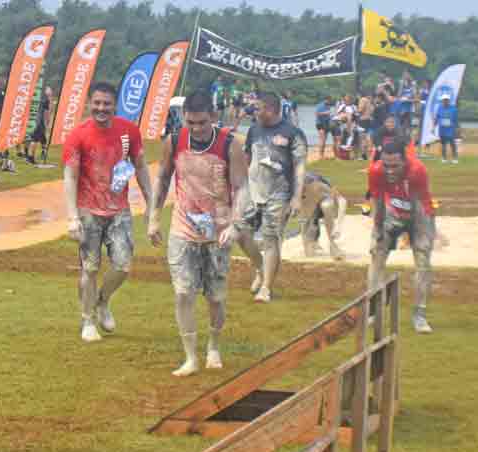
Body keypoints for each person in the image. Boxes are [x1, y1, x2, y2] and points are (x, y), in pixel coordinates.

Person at [147, 90, 248, 376]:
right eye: (190, 122)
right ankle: (190, 357)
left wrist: (235, 224)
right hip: (183, 227)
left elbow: (241, 187)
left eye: (202, 122)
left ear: (213, 117)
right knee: (183, 292)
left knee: (215, 297)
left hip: (218, 230)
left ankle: (213, 345)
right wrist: (154, 218)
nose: (196, 129)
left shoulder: (230, 144)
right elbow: (163, 178)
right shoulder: (174, 141)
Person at [62, 81, 153, 342]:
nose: (101, 108)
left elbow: (140, 166)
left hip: (119, 210)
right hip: (88, 210)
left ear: (115, 105)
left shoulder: (129, 131)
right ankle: (88, 320)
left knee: (123, 266)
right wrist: (72, 217)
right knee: (90, 268)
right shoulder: (78, 135)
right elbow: (70, 176)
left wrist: (151, 203)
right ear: (89, 103)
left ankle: (102, 301)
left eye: (107, 104)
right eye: (97, 103)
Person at [236, 92, 307, 303]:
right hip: (252, 191)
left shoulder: (293, 133)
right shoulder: (254, 129)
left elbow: (300, 167)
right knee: (239, 232)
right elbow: (247, 158)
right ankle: (260, 266)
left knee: (271, 238)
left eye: (258, 108)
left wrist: (297, 197)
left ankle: (266, 287)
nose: (254, 112)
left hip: (279, 194)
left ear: (271, 109)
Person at [367, 137, 435, 333]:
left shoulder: (417, 170)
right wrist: (378, 229)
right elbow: (377, 201)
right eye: (386, 165)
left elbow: (418, 205)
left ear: (404, 160)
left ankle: (419, 315)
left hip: (420, 213)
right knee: (376, 255)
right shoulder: (376, 170)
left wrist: (419, 237)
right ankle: (373, 310)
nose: (389, 170)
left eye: (395, 166)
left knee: (422, 261)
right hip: (392, 213)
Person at [299, 173, 345, 259]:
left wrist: (338, 226)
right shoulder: (296, 190)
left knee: (326, 206)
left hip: (324, 198)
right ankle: (313, 241)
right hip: (311, 199)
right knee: (309, 253)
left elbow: (342, 201)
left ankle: (333, 245)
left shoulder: (320, 186)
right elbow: (304, 219)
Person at [27, 85, 52, 165]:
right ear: (45, 91)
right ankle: (30, 157)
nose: (51, 91)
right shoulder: (46, 100)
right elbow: (47, 113)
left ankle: (42, 152)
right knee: (34, 140)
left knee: (42, 139)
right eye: (49, 90)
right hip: (40, 123)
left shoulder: (41, 98)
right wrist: (47, 123)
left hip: (36, 121)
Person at [435, 94, 459, 164]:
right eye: (444, 100)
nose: (445, 101)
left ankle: (455, 158)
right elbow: (437, 118)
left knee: (452, 144)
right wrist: (433, 127)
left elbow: (456, 120)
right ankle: (444, 158)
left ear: (449, 101)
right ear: (442, 101)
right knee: (443, 144)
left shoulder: (453, 109)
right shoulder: (439, 108)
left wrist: (457, 128)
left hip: (451, 129)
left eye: (446, 100)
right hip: (442, 129)